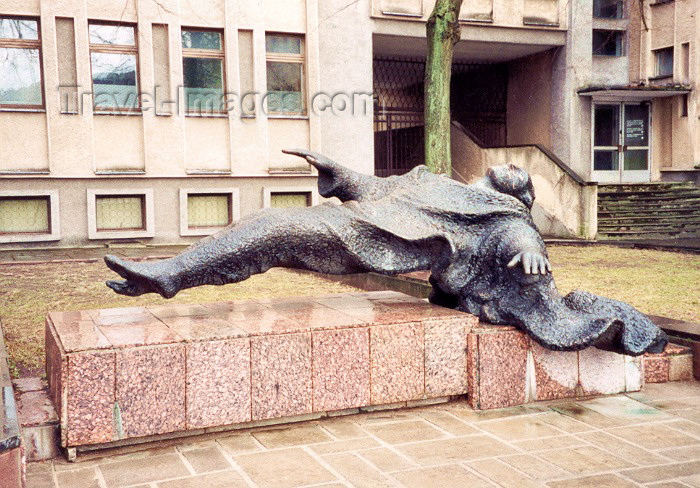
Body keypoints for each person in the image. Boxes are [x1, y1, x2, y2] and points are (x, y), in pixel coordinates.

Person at [105, 149, 667, 355]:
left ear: (515, 195)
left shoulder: (502, 218)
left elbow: (518, 240)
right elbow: (389, 189)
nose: (510, 169)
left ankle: (171, 275)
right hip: (359, 223)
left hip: (369, 245)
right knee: (270, 226)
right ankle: (173, 273)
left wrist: (532, 253)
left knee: (273, 226)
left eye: (518, 176)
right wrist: (344, 175)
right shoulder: (452, 187)